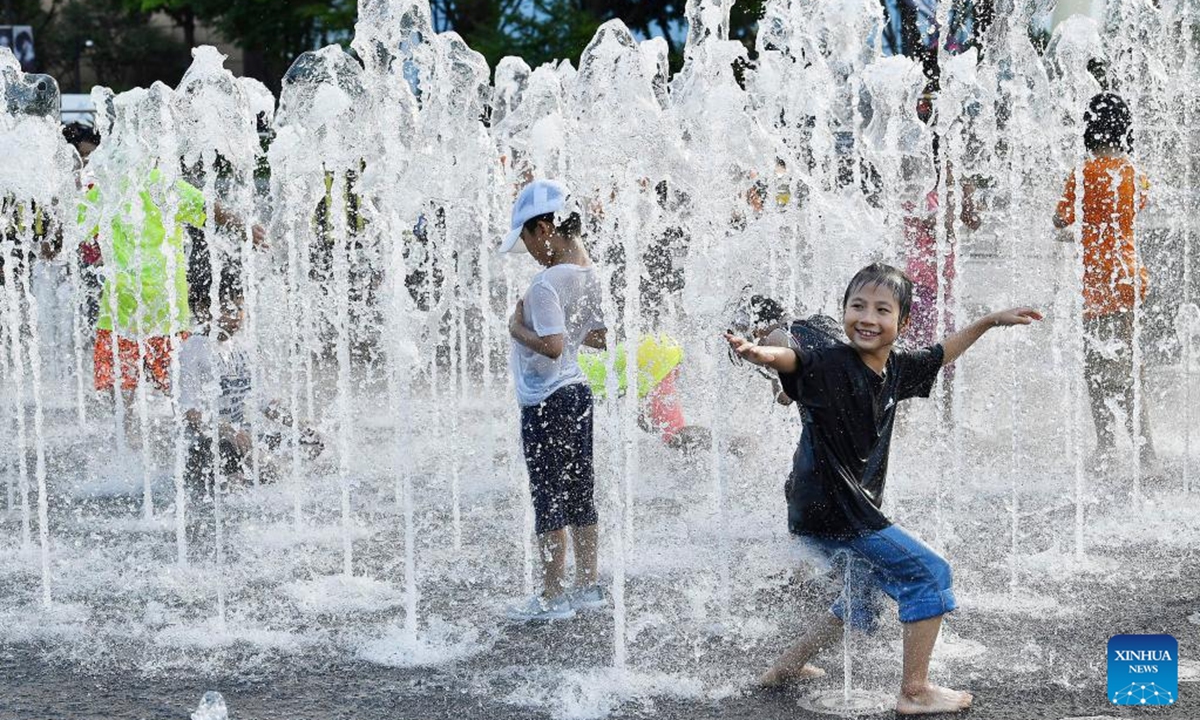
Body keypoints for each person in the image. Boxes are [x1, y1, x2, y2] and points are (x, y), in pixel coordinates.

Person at [725, 263, 1040, 715]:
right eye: (857, 306)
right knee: (930, 575)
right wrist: (760, 354)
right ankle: (914, 691)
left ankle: (786, 666)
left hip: (823, 505)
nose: (867, 318)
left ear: (902, 322)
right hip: (838, 509)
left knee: (862, 590)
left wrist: (988, 321)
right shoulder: (830, 363)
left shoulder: (896, 367)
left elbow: (940, 354)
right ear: (844, 312)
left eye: (881, 309)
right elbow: (792, 358)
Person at [501, 179, 607, 622]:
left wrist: (515, 327)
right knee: (581, 492)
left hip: (546, 401)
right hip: (578, 395)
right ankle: (588, 585)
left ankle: (549, 596)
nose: (526, 249)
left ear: (544, 229)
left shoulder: (545, 283)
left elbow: (553, 346)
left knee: (548, 496)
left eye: (525, 238)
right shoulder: (590, 274)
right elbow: (599, 339)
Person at [1054, 92, 1155, 471]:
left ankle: (1109, 445)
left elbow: (1061, 220)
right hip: (1128, 278)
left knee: (1095, 367)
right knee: (1130, 366)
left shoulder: (1082, 176)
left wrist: (1076, 227)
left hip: (1095, 284)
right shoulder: (1133, 173)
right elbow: (1138, 206)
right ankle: (1145, 449)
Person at [178, 264, 321, 493]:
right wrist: (229, 431)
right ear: (204, 309)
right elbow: (190, 413)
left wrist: (299, 424)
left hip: (243, 438)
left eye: (240, 306)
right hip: (207, 446)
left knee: (309, 443)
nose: (236, 316)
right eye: (226, 307)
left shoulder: (244, 348)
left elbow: (265, 402)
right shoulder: (192, 350)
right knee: (236, 457)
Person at [577, 334, 710, 452]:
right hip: (656, 350)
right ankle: (716, 448)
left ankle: (722, 447)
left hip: (652, 356)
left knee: (674, 435)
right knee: (653, 423)